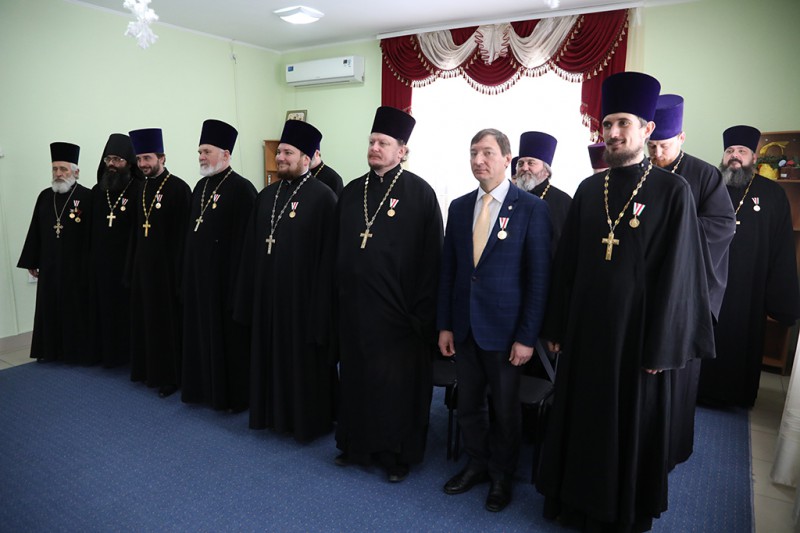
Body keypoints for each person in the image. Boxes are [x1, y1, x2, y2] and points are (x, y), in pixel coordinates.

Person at [536, 72, 715, 532]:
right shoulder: (588, 189)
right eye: (607, 123)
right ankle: (574, 501)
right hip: (586, 333)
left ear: (647, 129)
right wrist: (556, 326)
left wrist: (662, 347)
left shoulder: (674, 192)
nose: (613, 133)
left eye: (623, 124)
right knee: (582, 418)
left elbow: (680, 277)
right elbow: (566, 265)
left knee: (627, 425)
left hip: (636, 342)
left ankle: (618, 513)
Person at [438, 128, 551, 512]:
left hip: (506, 334)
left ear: (507, 159)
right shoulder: (458, 207)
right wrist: (445, 325)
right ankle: (476, 463)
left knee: (505, 410)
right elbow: (450, 272)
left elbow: (539, 279)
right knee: (469, 405)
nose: (478, 160)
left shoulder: (531, 209)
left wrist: (527, 337)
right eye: (473, 152)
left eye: (487, 152)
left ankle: (502, 475)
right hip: (465, 328)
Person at [334, 106, 444, 482]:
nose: (375, 148)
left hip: (399, 319)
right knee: (356, 381)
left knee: (394, 390)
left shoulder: (421, 194)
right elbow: (337, 251)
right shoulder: (351, 192)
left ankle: (395, 456)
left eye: (383, 143)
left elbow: (432, 261)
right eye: (371, 142)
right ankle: (355, 446)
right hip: (355, 311)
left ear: (402, 150)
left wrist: (420, 317)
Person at [647, 94, 736, 468]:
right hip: (644, 291)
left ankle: (670, 448)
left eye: (664, 146)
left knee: (675, 378)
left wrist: (673, 230)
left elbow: (722, 225)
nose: (656, 154)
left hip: (684, 294)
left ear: (681, 138)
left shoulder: (704, 175)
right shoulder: (641, 172)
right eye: (651, 146)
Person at [234, 120, 338, 440]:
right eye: (279, 152)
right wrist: (247, 296)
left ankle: (306, 423)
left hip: (302, 302)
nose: (280, 157)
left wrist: (322, 308)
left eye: (288, 153)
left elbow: (329, 260)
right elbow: (251, 250)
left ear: (306, 158)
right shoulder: (266, 196)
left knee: (301, 362)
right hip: (268, 298)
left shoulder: (324, 198)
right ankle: (271, 415)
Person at [698, 125, 800, 408]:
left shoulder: (772, 194)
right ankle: (697, 390)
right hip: (707, 282)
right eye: (730, 150)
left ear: (754, 157)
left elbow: (781, 247)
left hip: (749, 287)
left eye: (741, 151)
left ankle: (735, 396)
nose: (734, 156)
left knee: (739, 340)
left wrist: (781, 299)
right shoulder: (708, 187)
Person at [181, 119, 257, 411]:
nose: (201, 157)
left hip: (226, 282)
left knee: (228, 341)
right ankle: (203, 389)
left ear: (225, 154)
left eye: (207, 151)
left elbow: (246, 246)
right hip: (199, 279)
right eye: (199, 151)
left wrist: (239, 287)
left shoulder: (243, 190)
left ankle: (232, 397)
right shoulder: (200, 186)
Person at [126, 128, 191, 397]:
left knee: (167, 324)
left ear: (162, 158)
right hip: (144, 269)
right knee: (146, 321)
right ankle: (147, 371)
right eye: (139, 159)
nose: (143, 164)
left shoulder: (178, 188)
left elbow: (184, 236)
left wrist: (180, 273)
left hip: (167, 271)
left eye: (148, 158)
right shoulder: (140, 187)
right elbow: (135, 232)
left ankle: (170, 378)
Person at [18, 142, 92, 363]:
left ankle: (75, 352)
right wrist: (32, 260)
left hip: (77, 267)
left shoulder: (87, 197)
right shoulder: (44, 196)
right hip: (49, 265)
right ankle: (49, 351)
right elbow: (35, 230)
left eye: (63, 169)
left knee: (75, 308)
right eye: (54, 169)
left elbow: (92, 234)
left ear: (75, 172)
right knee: (49, 307)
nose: (58, 174)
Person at [89, 133, 142, 367]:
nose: (112, 164)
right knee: (105, 309)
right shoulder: (97, 192)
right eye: (108, 159)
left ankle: (130, 356)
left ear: (129, 163)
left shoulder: (138, 190)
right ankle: (107, 355)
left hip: (128, 264)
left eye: (117, 160)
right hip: (102, 265)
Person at [515, 131, 571, 254]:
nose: (524, 168)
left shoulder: (563, 201)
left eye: (531, 163)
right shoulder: (510, 197)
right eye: (520, 163)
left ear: (546, 171)